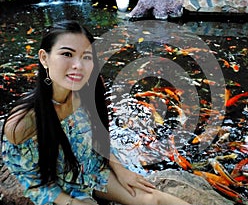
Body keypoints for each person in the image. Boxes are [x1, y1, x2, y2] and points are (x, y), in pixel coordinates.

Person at [1, 20, 190, 205]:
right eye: (67, 54)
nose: (78, 65)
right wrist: (70, 202)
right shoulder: (23, 123)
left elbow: (99, 135)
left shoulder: (86, 92)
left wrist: (120, 169)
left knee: (151, 199)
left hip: (92, 169)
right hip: (59, 185)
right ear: (44, 58)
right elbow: (31, 181)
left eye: (86, 57)